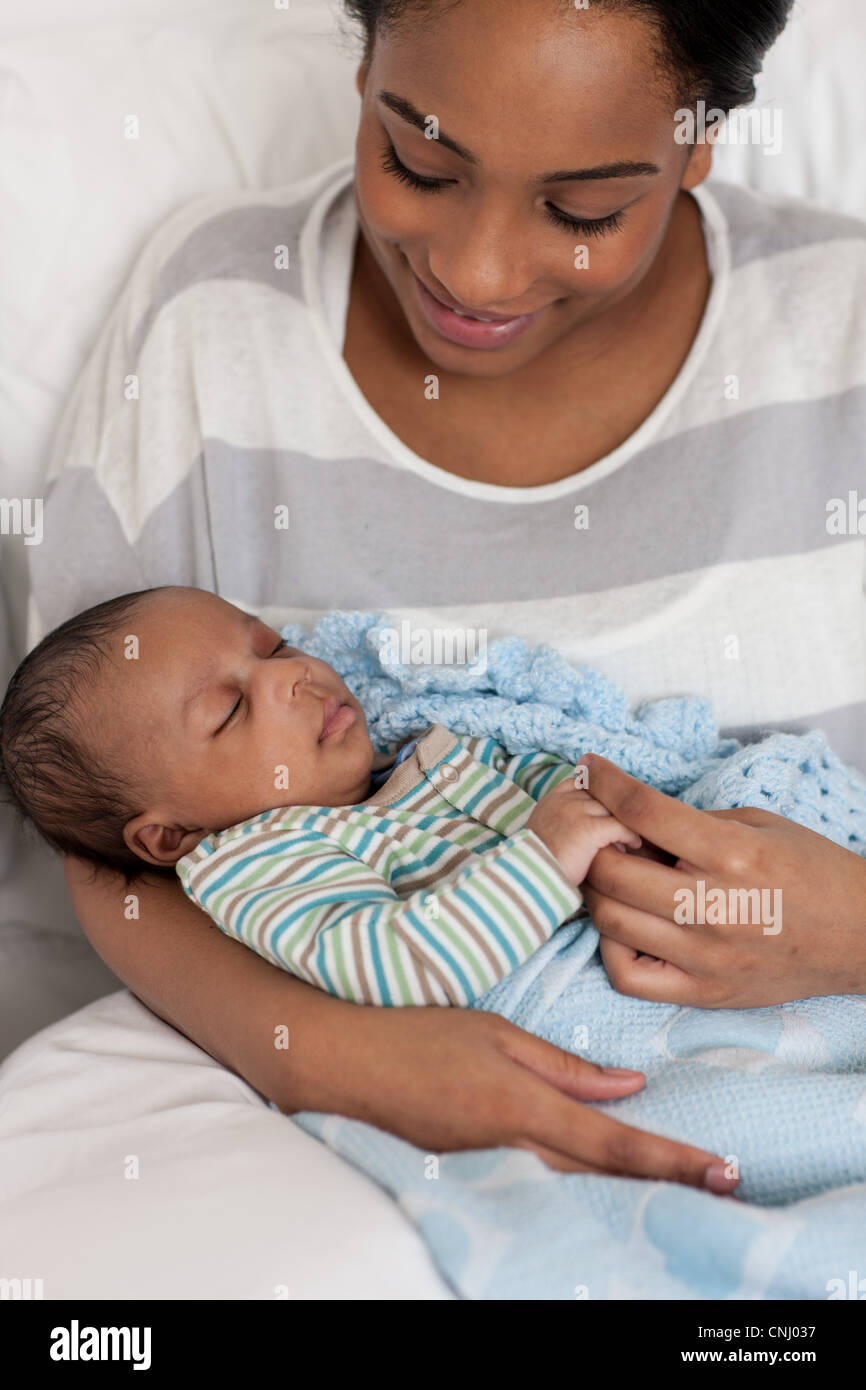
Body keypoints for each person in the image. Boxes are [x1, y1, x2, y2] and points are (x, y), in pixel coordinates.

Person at [29, 0, 866, 1183]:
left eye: (583, 209)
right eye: (418, 161)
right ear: (364, 65)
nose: (473, 272)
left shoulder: (845, 332)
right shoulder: (219, 322)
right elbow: (99, 823)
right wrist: (332, 1053)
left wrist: (853, 931)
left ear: (697, 141)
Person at [0, 585, 644, 1005]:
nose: (290, 674)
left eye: (273, 646)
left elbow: (555, 790)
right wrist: (547, 859)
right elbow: (403, 964)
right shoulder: (262, 861)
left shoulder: (424, 756)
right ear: (174, 836)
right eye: (230, 709)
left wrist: (627, 827)